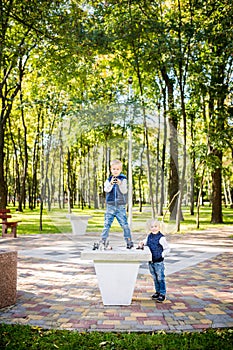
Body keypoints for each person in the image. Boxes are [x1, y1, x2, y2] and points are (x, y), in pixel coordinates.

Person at [100, 159, 133, 249]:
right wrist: (111, 183)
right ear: (111, 169)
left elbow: (124, 191)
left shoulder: (123, 179)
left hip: (120, 206)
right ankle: (103, 240)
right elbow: (106, 190)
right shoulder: (108, 180)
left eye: (117, 169)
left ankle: (129, 240)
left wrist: (120, 183)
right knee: (107, 224)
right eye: (114, 169)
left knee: (124, 224)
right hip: (110, 205)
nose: (115, 171)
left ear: (120, 170)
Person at [137, 219, 170, 303]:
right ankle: (157, 291)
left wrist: (162, 255)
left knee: (160, 277)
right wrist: (142, 243)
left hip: (158, 261)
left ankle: (162, 293)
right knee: (155, 277)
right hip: (151, 261)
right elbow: (145, 241)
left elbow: (167, 249)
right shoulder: (149, 236)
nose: (154, 228)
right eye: (152, 227)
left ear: (159, 227)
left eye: (155, 226)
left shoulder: (161, 238)